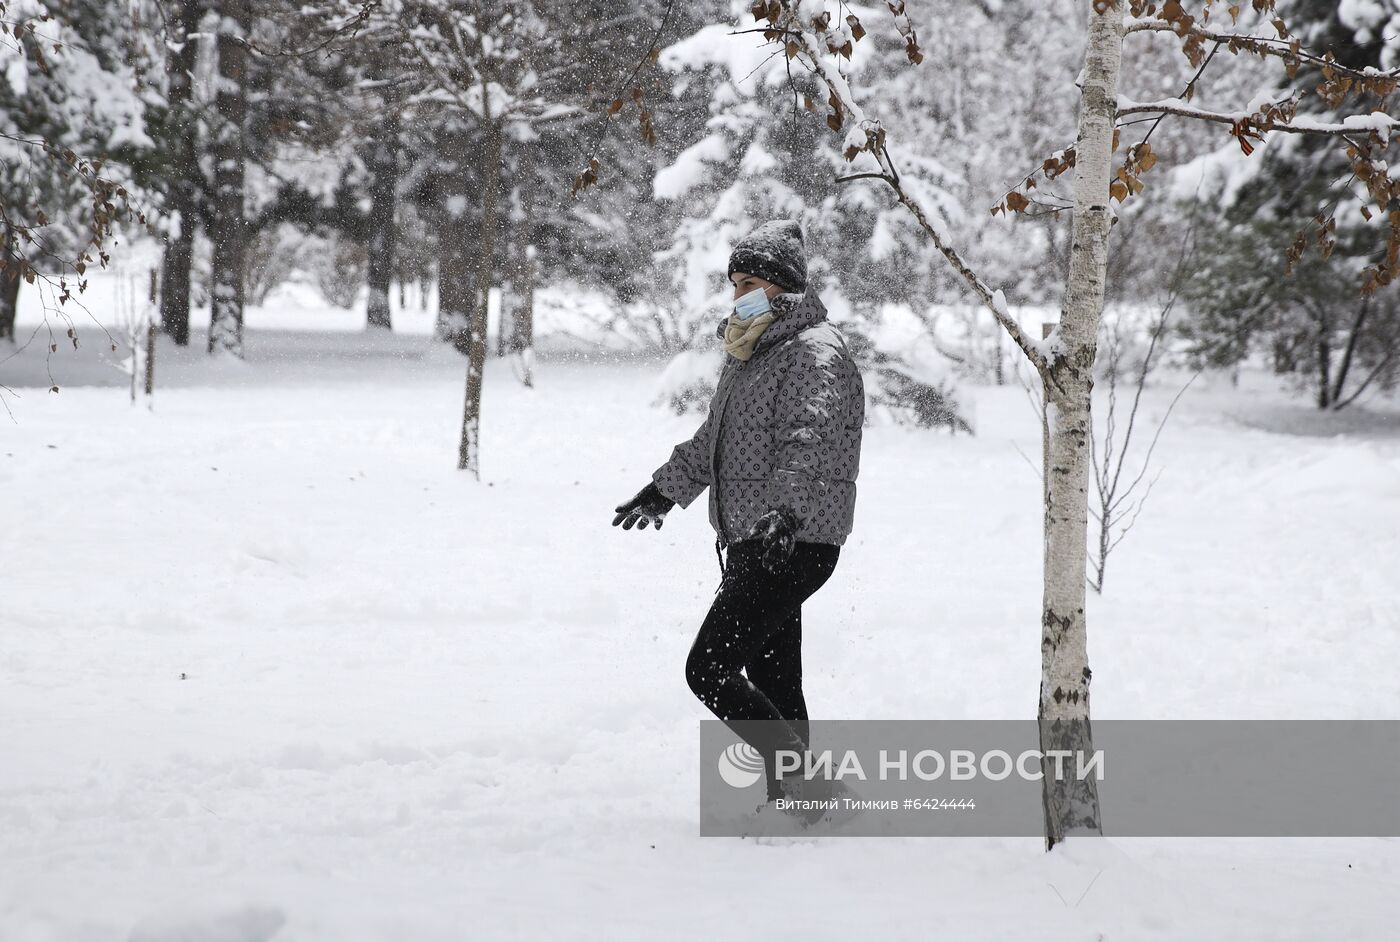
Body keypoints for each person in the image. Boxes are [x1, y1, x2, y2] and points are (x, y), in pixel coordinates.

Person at [612, 219, 866, 809]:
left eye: (750, 281)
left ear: (783, 287)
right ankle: (799, 803)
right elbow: (716, 439)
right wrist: (664, 490)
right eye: (733, 283)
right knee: (775, 677)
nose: (738, 294)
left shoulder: (814, 353)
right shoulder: (755, 351)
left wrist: (783, 514)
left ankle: (804, 781)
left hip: (792, 537)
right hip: (757, 535)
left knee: (709, 668)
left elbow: (809, 443)